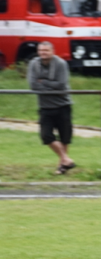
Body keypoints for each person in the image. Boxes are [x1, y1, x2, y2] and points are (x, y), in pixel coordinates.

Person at [27, 41, 76, 175]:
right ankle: (66, 159)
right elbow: (32, 85)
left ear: (52, 51)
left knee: (65, 137)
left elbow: (61, 85)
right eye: (41, 50)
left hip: (63, 105)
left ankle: (62, 167)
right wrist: (50, 86)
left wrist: (43, 82)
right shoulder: (33, 64)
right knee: (46, 136)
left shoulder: (61, 64)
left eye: (46, 50)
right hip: (45, 107)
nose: (43, 53)